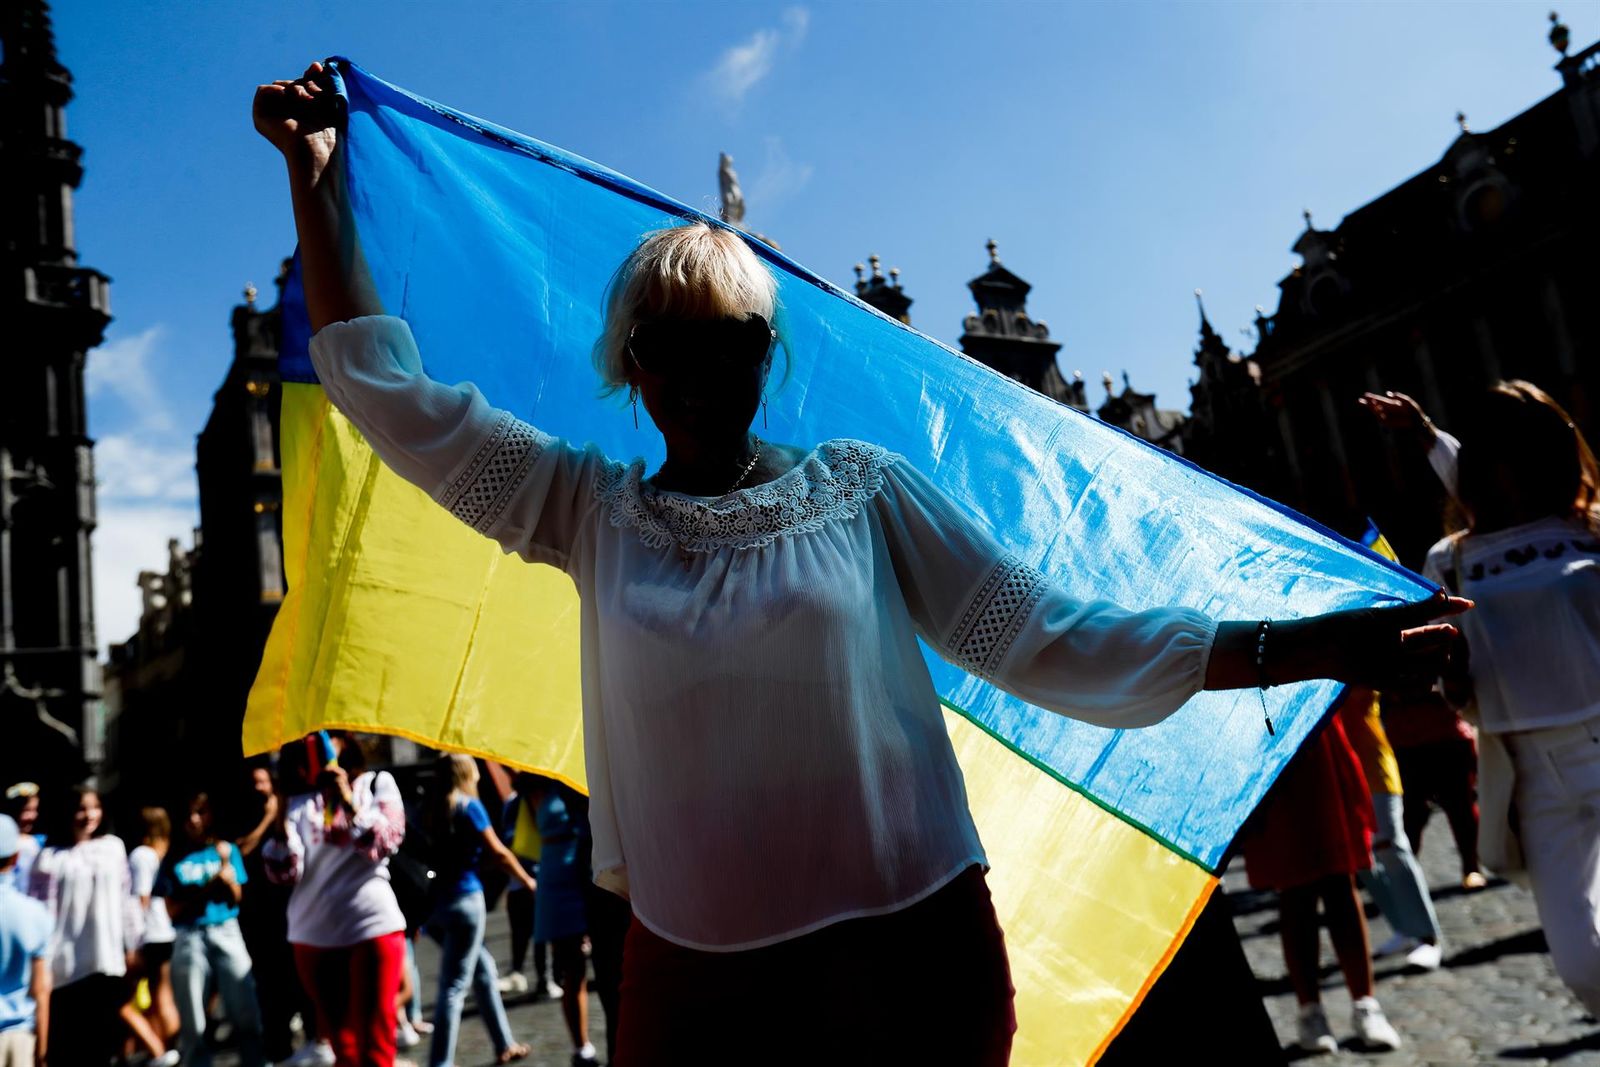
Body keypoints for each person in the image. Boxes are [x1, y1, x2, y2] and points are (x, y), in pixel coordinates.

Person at [256, 64, 1467, 1063]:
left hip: (912, 956)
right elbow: (386, 392)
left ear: (763, 352)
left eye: (726, 342)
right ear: (633, 367)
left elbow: (1054, 637)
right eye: (666, 349)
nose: (698, 373)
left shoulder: (861, 488)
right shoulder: (586, 508)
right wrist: (314, 177)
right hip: (692, 983)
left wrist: (1315, 646)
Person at [1366, 383, 1600, 1012]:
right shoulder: (1452, 559)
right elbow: (1455, 674)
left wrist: (1425, 434)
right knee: (1585, 965)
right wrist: (1452, 674)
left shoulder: (1588, 530)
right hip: (1532, 775)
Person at [1242, 690, 1402, 1053]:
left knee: (1340, 880)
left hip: (1322, 740)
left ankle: (1365, 1004)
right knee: (1294, 889)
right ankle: (1310, 1011)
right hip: (1270, 747)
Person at [262, 732, 409, 1067]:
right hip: (313, 937)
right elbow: (282, 871)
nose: (314, 743)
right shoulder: (297, 802)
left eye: (326, 735)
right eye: (304, 739)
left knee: (375, 1044)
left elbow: (383, 843)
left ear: (345, 741)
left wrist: (346, 798)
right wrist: (281, 811)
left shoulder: (375, 785)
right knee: (344, 1047)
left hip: (371, 927)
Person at [424, 755, 534, 1067]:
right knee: (453, 987)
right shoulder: (469, 806)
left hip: (438, 905)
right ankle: (440, 1063)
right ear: (466, 773)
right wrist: (526, 880)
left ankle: (505, 1044)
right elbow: (498, 852)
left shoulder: (433, 808)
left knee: (483, 972)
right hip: (466, 902)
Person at [158, 790, 265, 1066]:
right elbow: (171, 910)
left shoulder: (225, 849)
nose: (194, 820)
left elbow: (238, 896)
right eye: (189, 814)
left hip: (226, 928)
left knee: (244, 1006)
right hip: (189, 935)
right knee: (193, 1015)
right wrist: (209, 887)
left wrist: (227, 874)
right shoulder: (173, 857)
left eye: (200, 812)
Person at [1340, 689, 1444, 971]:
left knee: (1390, 847)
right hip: (1339, 774)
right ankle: (1405, 928)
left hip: (1373, 769)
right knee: (1361, 859)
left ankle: (1427, 936)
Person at [27, 784, 130, 1066]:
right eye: (81, 808)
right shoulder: (49, 858)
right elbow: (41, 915)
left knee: (103, 1046)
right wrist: (41, 964)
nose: (89, 815)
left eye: (94, 807)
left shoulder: (113, 848)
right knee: (71, 1050)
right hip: (65, 969)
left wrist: (133, 944)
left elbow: (125, 900)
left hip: (106, 961)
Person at [236, 762, 323, 1065]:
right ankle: (279, 1052)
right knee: (271, 993)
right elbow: (242, 850)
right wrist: (270, 819)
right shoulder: (246, 818)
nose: (259, 788)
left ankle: (315, 1040)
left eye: (263, 781)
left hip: (292, 914)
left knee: (304, 986)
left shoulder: (292, 811)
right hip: (260, 919)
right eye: (254, 783)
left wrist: (280, 814)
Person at [1381, 687, 1485, 890]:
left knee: (1461, 807)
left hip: (1447, 734)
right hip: (1405, 739)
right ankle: (1406, 874)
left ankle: (1472, 867)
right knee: (1410, 814)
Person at [526, 777, 598, 1067]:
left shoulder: (580, 777)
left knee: (605, 966)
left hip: (589, 872)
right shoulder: (533, 782)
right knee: (572, 969)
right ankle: (581, 1047)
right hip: (557, 876)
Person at [128, 806, 181, 1064]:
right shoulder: (155, 854)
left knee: (151, 996)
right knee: (162, 993)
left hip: (149, 934)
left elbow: (141, 899)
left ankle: (163, 1049)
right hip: (163, 932)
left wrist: (133, 941)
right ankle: (164, 1048)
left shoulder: (140, 855)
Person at [497, 774, 558, 1001]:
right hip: (530, 874)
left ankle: (542, 976)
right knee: (532, 929)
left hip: (526, 876)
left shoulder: (520, 803)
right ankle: (537, 976)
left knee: (535, 929)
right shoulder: (521, 803)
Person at [0, 815, 50, 1067]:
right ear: (15, 857)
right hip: (20, 1038)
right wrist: (42, 1051)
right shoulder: (34, 913)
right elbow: (40, 989)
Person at [1, 785, 41, 892]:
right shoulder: (4, 843)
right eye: (26, 810)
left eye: (35, 810)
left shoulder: (38, 842)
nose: (32, 816)